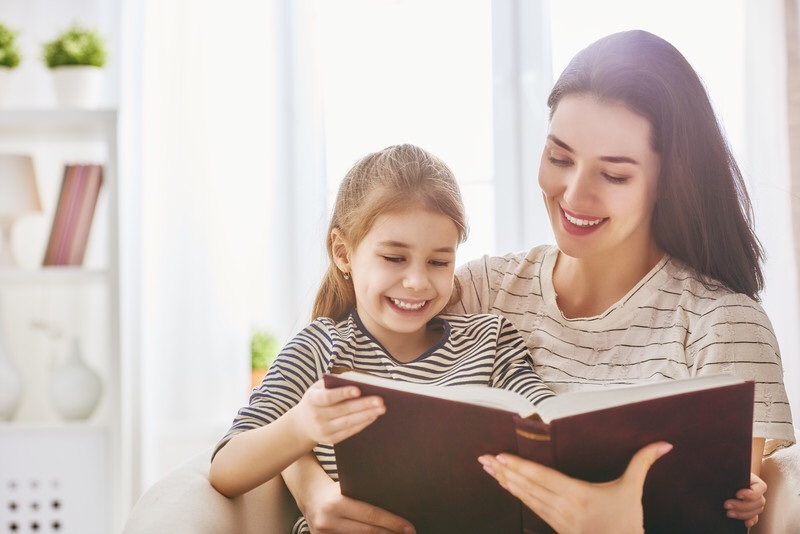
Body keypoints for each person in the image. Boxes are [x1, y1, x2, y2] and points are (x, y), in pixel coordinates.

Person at [280, 30, 795, 533]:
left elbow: (721, 520)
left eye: (614, 175)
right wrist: (313, 489)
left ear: (669, 180)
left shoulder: (724, 325)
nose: (573, 194)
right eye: (559, 157)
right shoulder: (479, 291)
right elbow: (315, 390)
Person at [208, 144, 556, 531]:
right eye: (394, 258)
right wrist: (302, 426)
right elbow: (225, 469)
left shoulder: (490, 342)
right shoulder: (318, 349)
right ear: (343, 253)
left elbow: (551, 427)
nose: (418, 282)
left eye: (439, 262)